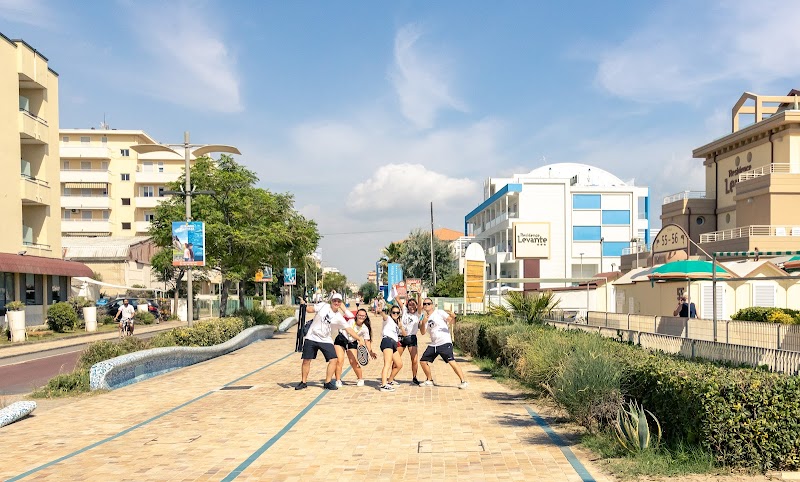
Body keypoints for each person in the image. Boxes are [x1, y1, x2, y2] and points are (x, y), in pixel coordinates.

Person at [296, 293, 365, 391]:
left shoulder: (339, 317)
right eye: (334, 300)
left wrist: (359, 338)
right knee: (306, 360)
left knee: (334, 359)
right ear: (331, 301)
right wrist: (303, 304)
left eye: (339, 301)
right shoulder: (323, 306)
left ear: (341, 303)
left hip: (325, 339)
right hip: (312, 336)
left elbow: (349, 329)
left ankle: (327, 382)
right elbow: (310, 310)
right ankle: (303, 382)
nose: (336, 303)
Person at [418, 298, 468, 389]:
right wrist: (423, 323)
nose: (426, 305)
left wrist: (454, 316)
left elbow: (451, 321)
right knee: (423, 361)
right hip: (434, 344)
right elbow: (422, 332)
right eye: (424, 304)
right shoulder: (424, 317)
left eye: (428, 303)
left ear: (432, 305)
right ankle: (429, 380)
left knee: (451, 361)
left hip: (444, 342)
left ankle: (463, 381)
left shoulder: (439, 312)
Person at [333, 308, 377, 387]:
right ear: (356, 315)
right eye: (359, 315)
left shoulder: (365, 328)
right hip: (341, 338)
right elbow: (343, 307)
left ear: (366, 317)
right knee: (340, 360)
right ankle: (338, 380)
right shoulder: (350, 319)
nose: (361, 317)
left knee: (353, 362)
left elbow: (367, 340)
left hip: (352, 342)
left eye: (363, 316)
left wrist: (370, 352)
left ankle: (360, 379)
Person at [376, 299, 406, 392]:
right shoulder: (388, 319)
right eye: (393, 312)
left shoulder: (397, 324)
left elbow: (405, 335)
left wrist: (401, 326)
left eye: (397, 313)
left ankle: (390, 380)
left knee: (399, 364)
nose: (395, 314)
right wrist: (380, 311)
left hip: (394, 343)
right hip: (387, 341)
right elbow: (383, 315)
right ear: (390, 312)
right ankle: (383, 385)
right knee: (387, 364)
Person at [396, 293, 422, 385]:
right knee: (396, 358)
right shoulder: (404, 311)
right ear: (407, 305)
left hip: (412, 338)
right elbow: (398, 299)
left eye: (413, 304)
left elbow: (420, 305)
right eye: (410, 304)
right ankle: (391, 377)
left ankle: (414, 377)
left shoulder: (417, 314)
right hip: (401, 337)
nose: (412, 306)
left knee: (414, 360)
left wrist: (419, 295)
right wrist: (394, 289)